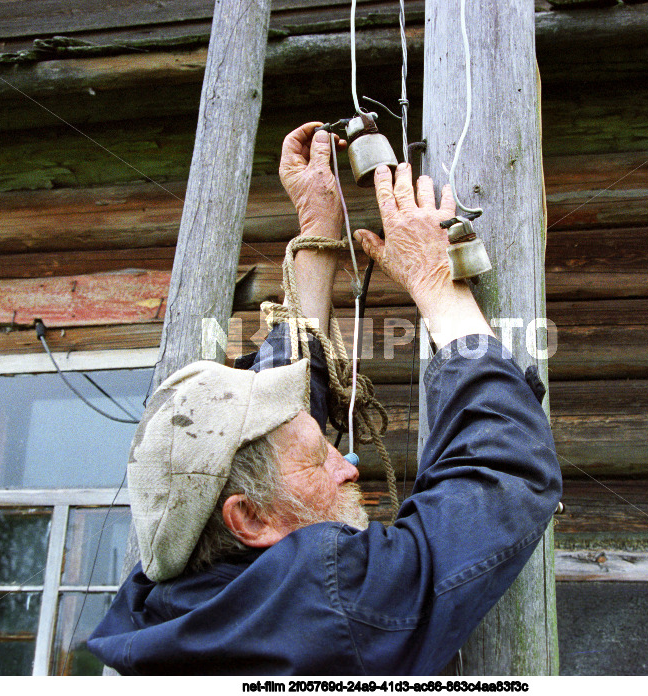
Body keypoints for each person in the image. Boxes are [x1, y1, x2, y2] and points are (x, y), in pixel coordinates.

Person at [87, 122, 562, 675]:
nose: (350, 465)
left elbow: (277, 422)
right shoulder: (325, 608)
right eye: (320, 458)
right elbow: (503, 476)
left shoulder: (165, 602)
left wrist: (318, 230)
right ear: (249, 519)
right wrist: (439, 289)